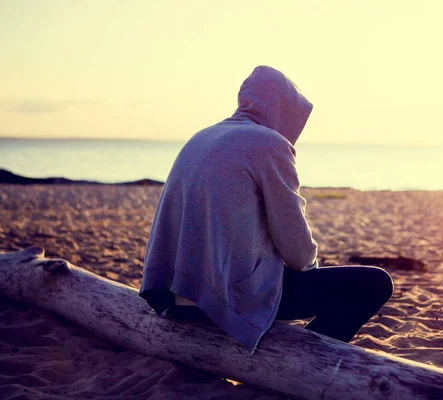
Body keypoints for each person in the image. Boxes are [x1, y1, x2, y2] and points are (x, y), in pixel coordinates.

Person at [139, 66, 393, 353]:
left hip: (176, 291)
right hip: (223, 296)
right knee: (375, 284)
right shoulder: (270, 144)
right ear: (282, 108)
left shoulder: (203, 135)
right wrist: (309, 269)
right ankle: (301, 362)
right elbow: (296, 248)